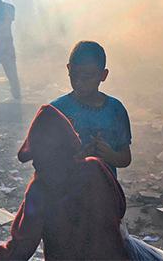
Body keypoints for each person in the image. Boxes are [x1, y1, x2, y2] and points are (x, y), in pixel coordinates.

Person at [0, 105, 163, 261]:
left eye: (38, 157)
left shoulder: (40, 189)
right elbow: (120, 208)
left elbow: (21, 249)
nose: (36, 164)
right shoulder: (96, 168)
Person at [50, 41, 131, 178]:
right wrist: (79, 158)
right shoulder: (57, 110)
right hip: (68, 193)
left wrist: (110, 156)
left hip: (104, 190)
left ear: (103, 75)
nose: (79, 82)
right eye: (74, 75)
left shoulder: (115, 110)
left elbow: (125, 158)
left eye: (87, 77)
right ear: (68, 69)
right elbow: (45, 160)